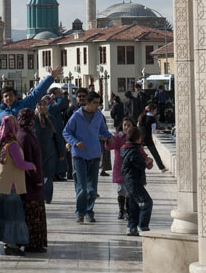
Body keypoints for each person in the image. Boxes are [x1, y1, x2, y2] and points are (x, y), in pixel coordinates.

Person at [0, 114, 36, 255]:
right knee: (13, 216)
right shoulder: (13, 145)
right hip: (10, 186)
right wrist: (32, 165)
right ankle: (10, 245)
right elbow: (20, 164)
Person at [62, 91, 113, 224]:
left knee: (92, 189)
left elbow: (102, 130)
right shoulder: (76, 116)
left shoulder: (98, 116)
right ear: (88, 103)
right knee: (82, 187)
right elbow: (66, 132)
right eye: (95, 103)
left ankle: (89, 211)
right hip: (79, 155)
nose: (97, 106)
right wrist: (75, 142)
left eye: (98, 103)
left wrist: (110, 136)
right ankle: (80, 212)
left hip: (95, 155)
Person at [0, 68, 62, 145]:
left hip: (24, 146)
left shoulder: (24, 105)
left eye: (11, 95)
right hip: (7, 150)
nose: (8, 98)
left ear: (16, 97)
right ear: (3, 99)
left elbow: (37, 92)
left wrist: (50, 77)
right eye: (6, 96)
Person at [16, 108, 47, 252]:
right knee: (32, 214)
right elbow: (27, 161)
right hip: (30, 184)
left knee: (36, 212)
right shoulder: (24, 137)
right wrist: (36, 179)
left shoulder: (28, 134)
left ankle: (36, 243)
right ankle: (32, 243)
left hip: (35, 182)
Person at [121, 124, 154, 236]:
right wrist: (146, 162)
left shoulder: (128, 148)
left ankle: (131, 228)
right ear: (139, 138)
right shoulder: (134, 151)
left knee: (134, 205)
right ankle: (142, 226)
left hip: (130, 181)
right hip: (133, 181)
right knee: (146, 202)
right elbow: (139, 165)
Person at [34, 97, 61, 203]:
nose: (42, 107)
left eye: (44, 104)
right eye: (40, 105)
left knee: (49, 176)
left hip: (50, 151)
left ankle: (47, 197)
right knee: (37, 175)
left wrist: (61, 152)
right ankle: (38, 195)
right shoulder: (32, 119)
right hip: (36, 152)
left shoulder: (52, 119)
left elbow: (58, 136)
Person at [111, 117, 133, 223]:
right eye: (125, 125)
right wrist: (111, 139)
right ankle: (121, 210)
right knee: (120, 190)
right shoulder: (118, 137)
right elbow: (110, 146)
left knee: (129, 191)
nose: (126, 127)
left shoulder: (134, 136)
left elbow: (140, 149)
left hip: (130, 169)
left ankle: (128, 210)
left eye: (129, 125)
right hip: (119, 168)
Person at [138, 108, 167, 172]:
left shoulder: (141, 117)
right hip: (148, 139)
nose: (156, 112)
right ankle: (161, 168)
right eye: (155, 110)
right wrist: (158, 131)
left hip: (141, 138)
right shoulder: (152, 119)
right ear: (152, 110)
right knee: (155, 153)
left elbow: (138, 127)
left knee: (138, 153)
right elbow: (153, 131)